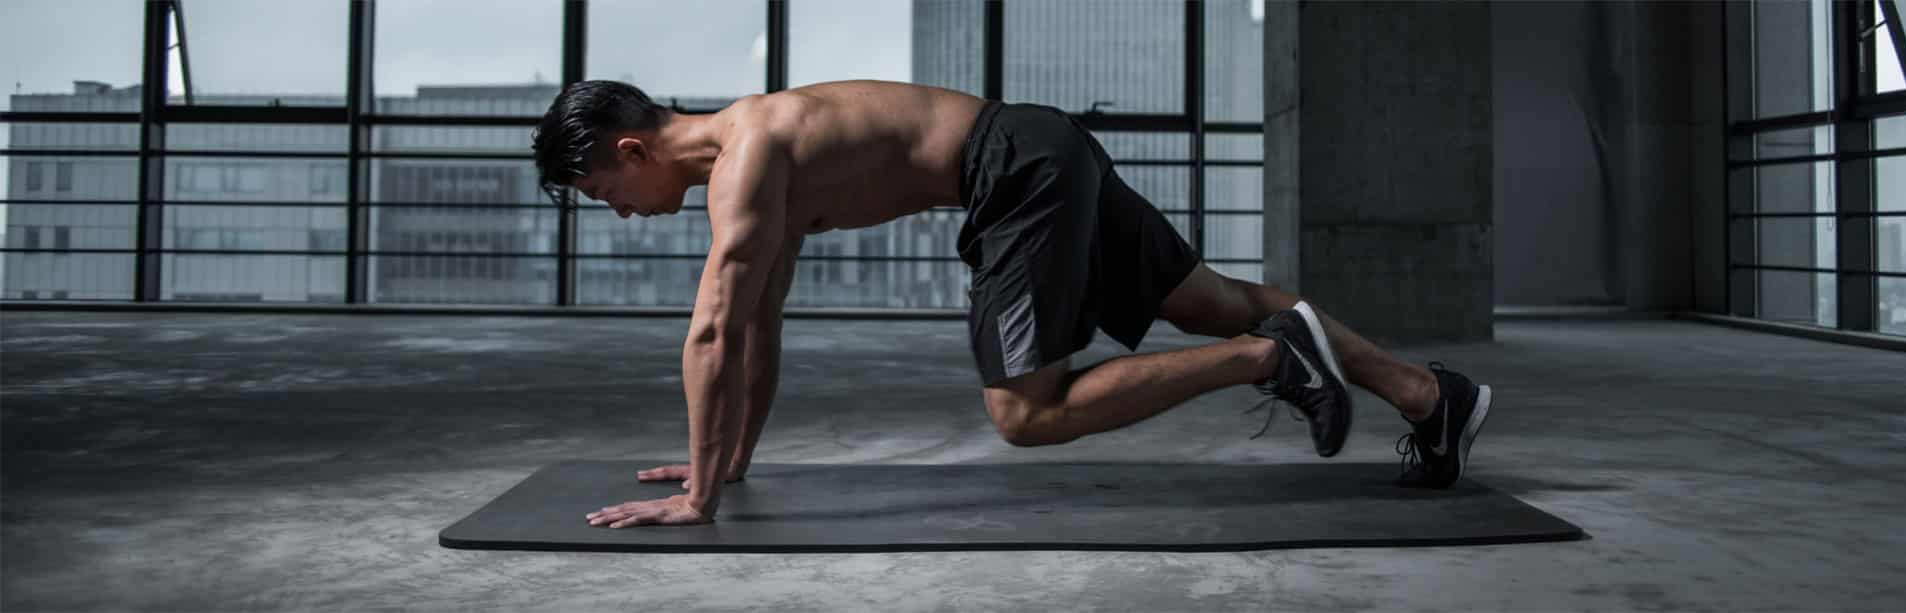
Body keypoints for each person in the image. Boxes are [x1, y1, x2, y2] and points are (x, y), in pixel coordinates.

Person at [532, 80, 1494, 529]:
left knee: (1026, 412)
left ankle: (1271, 357)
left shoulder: (746, 160)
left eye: (606, 193)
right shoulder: (756, 152)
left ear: (632, 151)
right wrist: (728, 462)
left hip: (1013, 171)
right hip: (1038, 144)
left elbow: (711, 330)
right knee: (1214, 299)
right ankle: (1429, 396)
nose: (620, 212)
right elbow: (757, 324)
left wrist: (698, 499)